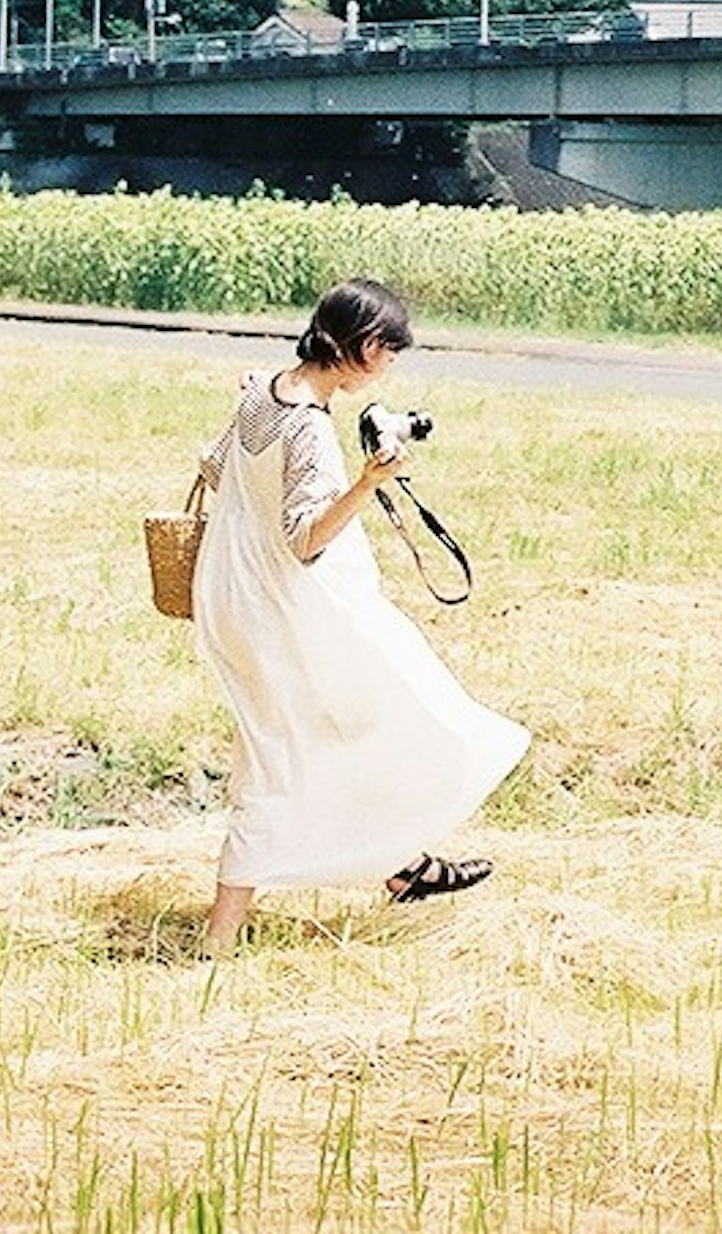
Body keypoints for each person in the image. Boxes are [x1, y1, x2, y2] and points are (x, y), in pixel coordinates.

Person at [189, 279, 528, 954]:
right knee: (363, 724)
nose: (392, 364)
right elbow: (305, 538)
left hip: (231, 599)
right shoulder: (310, 427)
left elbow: (217, 466)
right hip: (281, 612)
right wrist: (367, 483)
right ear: (367, 347)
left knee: (323, 733)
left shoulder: (261, 391)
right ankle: (221, 935)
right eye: (391, 352)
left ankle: (400, 864)